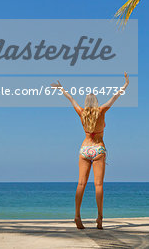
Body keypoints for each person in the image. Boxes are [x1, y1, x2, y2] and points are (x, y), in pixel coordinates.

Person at [51, 72, 129, 229]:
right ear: (96, 102)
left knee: (81, 184)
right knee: (98, 185)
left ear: (86, 102)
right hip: (98, 149)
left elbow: (71, 99)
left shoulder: (82, 113)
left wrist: (61, 89)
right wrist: (125, 85)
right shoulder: (101, 111)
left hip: (85, 149)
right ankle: (100, 218)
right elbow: (115, 97)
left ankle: (77, 216)